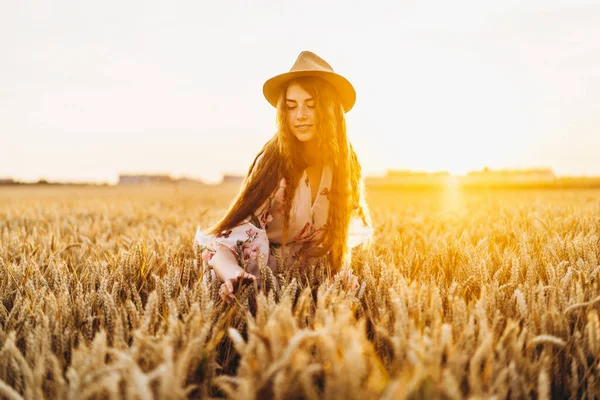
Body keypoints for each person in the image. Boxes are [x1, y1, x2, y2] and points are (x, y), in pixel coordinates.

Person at [194, 50, 374, 303]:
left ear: (330, 110)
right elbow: (226, 245)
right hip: (259, 278)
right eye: (291, 107)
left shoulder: (345, 163)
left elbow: (337, 243)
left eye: (311, 105)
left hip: (314, 280)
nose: (300, 115)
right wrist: (234, 275)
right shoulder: (272, 162)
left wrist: (338, 278)